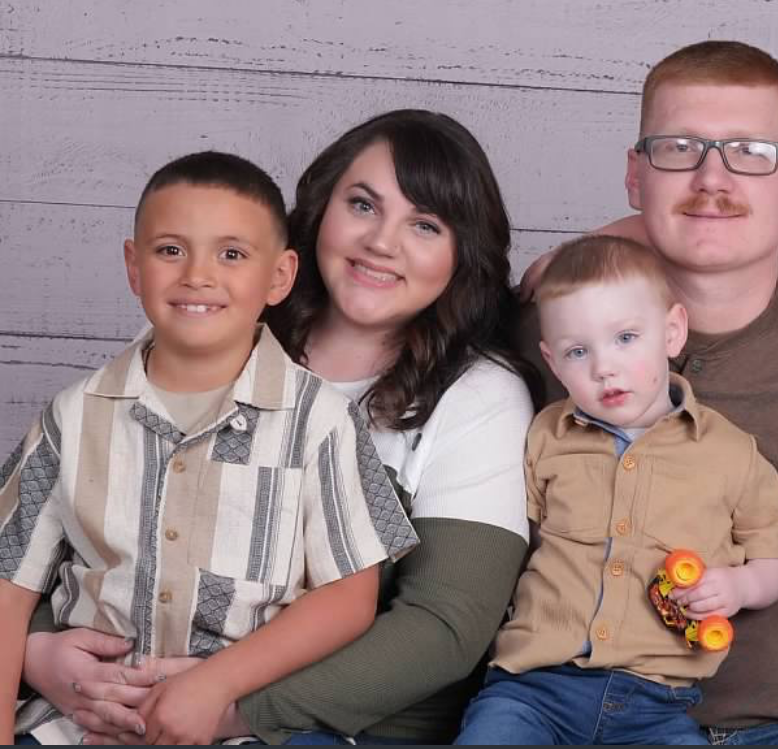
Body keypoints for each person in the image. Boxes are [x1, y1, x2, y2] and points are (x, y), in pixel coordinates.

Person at [21, 110, 540, 744]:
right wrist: (41, 651)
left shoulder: (480, 395)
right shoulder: (208, 324)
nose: (382, 242)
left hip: (326, 732)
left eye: (425, 225)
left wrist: (231, 705)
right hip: (115, 711)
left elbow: (443, 626)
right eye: (362, 205)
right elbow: (62, 535)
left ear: (463, 256)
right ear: (320, 210)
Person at [521, 41, 778, 745]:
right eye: (678, 148)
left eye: (750, 151)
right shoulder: (550, 328)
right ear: (634, 174)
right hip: (584, 715)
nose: (712, 178)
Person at [1, 151, 417, 745]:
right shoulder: (74, 415)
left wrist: (216, 685)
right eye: (171, 250)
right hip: (83, 717)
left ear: (279, 276)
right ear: (134, 267)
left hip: (242, 719)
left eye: (231, 254)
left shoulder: (320, 421)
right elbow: (9, 585)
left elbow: (350, 597)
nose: (198, 275)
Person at [458, 234, 778, 745]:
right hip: (531, 690)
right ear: (552, 361)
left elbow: (776, 562)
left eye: (626, 338)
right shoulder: (545, 437)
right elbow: (510, 542)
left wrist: (739, 587)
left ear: (673, 332)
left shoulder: (731, 453)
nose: (603, 367)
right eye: (577, 351)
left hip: (656, 704)